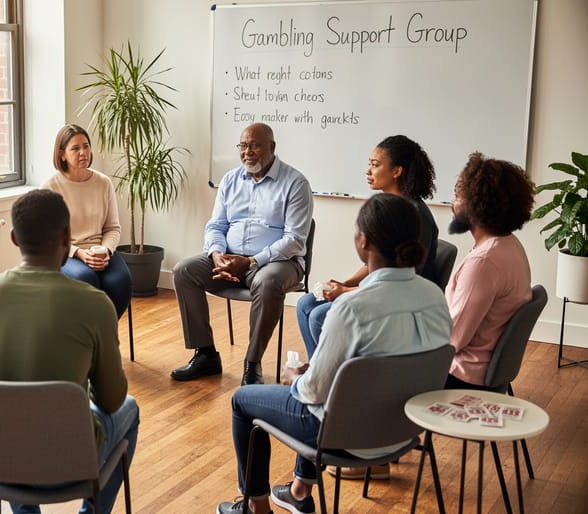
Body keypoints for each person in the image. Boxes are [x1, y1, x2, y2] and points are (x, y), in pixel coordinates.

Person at [217, 193, 452, 514]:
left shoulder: (352, 309)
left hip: (348, 437)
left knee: (243, 400)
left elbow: (313, 392)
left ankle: (255, 507)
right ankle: (299, 492)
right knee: (326, 386)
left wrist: (295, 378)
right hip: (406, 431)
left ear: (363, 241)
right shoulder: (436, 297)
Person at [0, 189, 139, 514]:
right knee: (131, 408)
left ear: (13, 238)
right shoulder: (95, 304)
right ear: (68, 238)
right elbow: (111, 401)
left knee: (6, 413)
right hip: (67, 461)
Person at [171, 122, 313, 386]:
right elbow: (216, 226)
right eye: (243, 145)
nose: (248, 151)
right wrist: (216, 254)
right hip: (230, 258)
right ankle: (205, 354)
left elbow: (294, 240)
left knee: (267, 282)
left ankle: (252, 363)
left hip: (279, 263)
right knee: (184, 271)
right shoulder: (230, 179)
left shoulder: (295, 183)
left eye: (255, 145)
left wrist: (250, 261)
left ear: (271, 147)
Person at [296, 135, 440, 360]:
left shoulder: (414, 216)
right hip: (381, 289)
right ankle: (319, 372)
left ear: (396, 171)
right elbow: (375, 262)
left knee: (319, 316)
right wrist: (347, 283)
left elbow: (396, 286)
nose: (368, 171)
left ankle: (332, 382)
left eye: (375, 165)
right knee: (306, 303)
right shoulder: (388, 207)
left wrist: (345, 292)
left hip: (400, 302)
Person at [445, 152, 534, 389]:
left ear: (477, 205)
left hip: (461, 375)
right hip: (485, 369)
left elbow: (453, 339)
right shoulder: (509, 245)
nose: (453, 204)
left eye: (457, 196)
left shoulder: (483, 263)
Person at [41, 124, 132, 318]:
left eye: (86, 146)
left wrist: (106, 250)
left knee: (121, 280)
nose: (83, 152)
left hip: (100, 251)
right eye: (75, 148)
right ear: (62, 154)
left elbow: (113, 227)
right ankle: (89, 338)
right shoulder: (50, 187)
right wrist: (80, 253)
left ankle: (102, 333)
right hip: (67, 253)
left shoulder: (103, 182)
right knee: (86, 278)